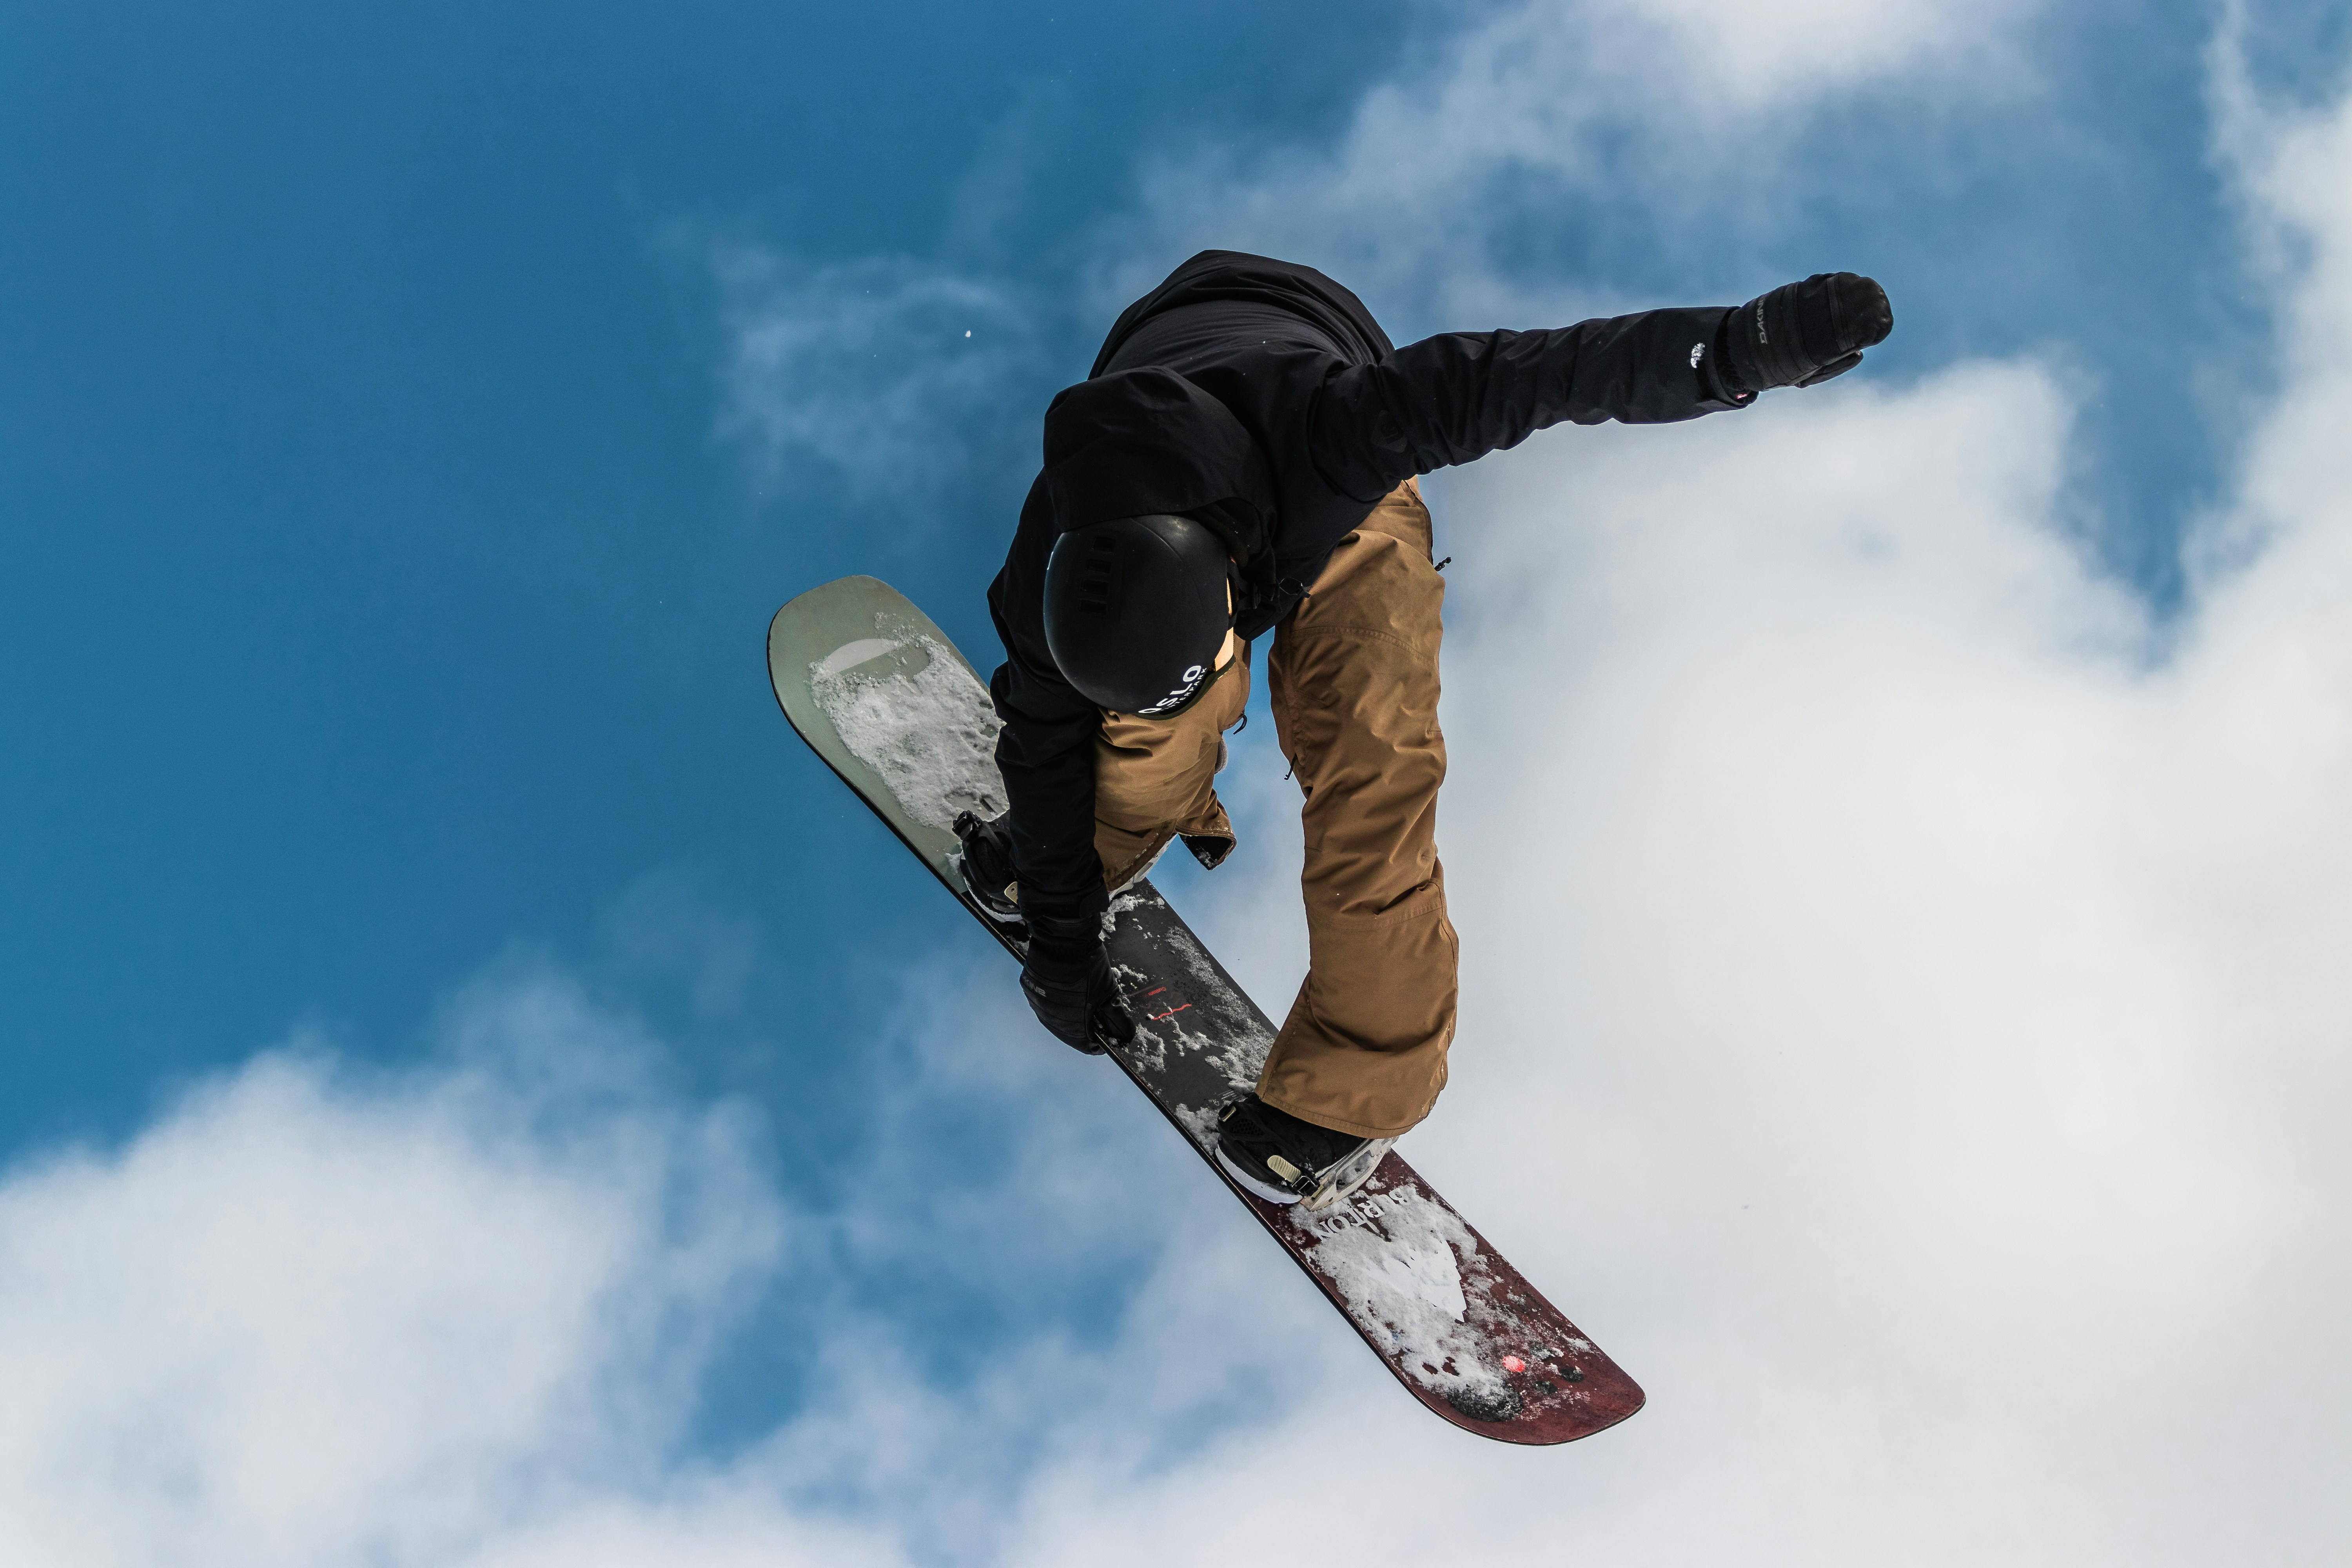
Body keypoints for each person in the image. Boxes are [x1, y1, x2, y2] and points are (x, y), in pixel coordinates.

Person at [960, 250, 1892, 1210]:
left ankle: (1357, 1084)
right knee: (1130, 722)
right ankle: (1101, 832)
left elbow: (1547, 371)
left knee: (1373, 761)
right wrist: (1061, 943)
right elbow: (1041, 737)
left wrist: (1736, 349)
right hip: (1175, 420)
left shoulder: (1351, 427)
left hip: (1335, 474)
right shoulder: (1048, 574)